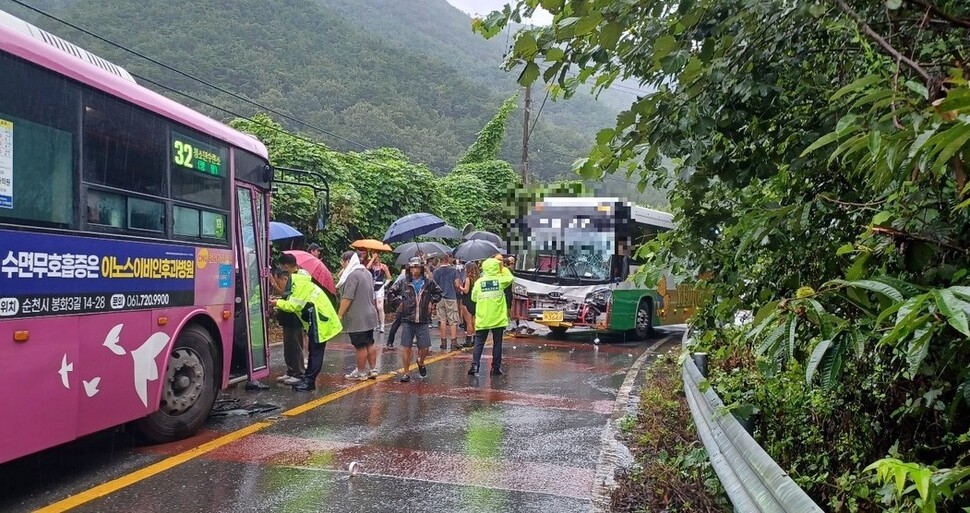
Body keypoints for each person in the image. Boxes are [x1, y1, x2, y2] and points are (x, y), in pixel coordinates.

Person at [269, 268, 342, 391]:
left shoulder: (299, 285)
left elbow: (294, 305)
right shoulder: (296, 283)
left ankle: (309, 382)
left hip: (319, 319)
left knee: (315, 351)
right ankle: (308, 379)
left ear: (285, 278)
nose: (278, 285)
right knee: (313, 350)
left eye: (278, 282)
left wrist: (277, 303)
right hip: (316, 318)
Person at [387, 257, 443, 382]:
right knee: (406, 347)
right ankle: (406, 373)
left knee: (425, 348)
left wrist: (431, 302)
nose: (414, 270)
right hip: (407, 319)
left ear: (421, 268)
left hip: (423, 319)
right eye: (412, 267)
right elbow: (390, 293)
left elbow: (439, 293)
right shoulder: (403, 282)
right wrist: (399, 303)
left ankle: (420, 361)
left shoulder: (428, 282)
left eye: (417, 267)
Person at [336, 250, 380, 380]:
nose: (342, 265)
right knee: (369, 343)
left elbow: (347, 297)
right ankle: (373, 370)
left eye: (343, 262)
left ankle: (360, 373)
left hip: (358, 317)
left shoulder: (352, 276)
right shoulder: (366, 272)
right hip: (370, 314)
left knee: (360, 346)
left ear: (348, 261)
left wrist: (340, 314)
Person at [468, 257, 514, 376]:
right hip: (497, 319)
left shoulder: (479, 282)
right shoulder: (500, 281)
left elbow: (473, 298)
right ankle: (495, 368)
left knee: (479, 343)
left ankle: (475, 365)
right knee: (497, 343)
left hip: (483, 318)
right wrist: (503, 268)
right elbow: (511, 278)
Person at [276, 253, 309, 385]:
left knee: (295, 345)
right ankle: (290, 371)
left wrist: (277, 301)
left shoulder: (298, 278)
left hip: (294, 315)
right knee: (288, 345)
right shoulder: (296, 276)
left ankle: (298, 373)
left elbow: (290, 296)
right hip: (288, 314)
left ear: (285, 266)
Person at [432, 254, 462, 350]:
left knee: (442, 320)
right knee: (453, 320)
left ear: (440, 260)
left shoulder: (435, 271)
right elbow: (457, 284)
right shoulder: (453, 270)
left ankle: (443, 342)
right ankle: (453, 342)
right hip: (451, 297)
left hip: (440, 298)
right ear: (448, 260)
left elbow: (433, 285)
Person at [456, 261, 479, 348]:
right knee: (475, 321)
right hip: (475, 301)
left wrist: (459, 287)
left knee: (468, 323)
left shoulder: (468, 279)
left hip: (467, 301)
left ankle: (468, 339)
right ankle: (476, 339)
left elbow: (466, 290)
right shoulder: (478, 279)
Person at [385, 264, 408, 349]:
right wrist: (398, 301)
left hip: (413, 305)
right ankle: (390, 342)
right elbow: (391, 292)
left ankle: (410, 342)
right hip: (403, 304)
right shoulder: (402, 279)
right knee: (397, 322)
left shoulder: (419, 280)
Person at [368, 253, 392, 333]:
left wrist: (384, 285)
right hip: (372, 287)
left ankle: (382, 325)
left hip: (380, 287)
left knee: (380, 307)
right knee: (374, 307)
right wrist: (372, 259)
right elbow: (367, 268)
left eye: (376, 257)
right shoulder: (371, 266)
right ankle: (376, 324)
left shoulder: (383, 266)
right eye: (373, 257)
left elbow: (389, 278)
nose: (375, 259)